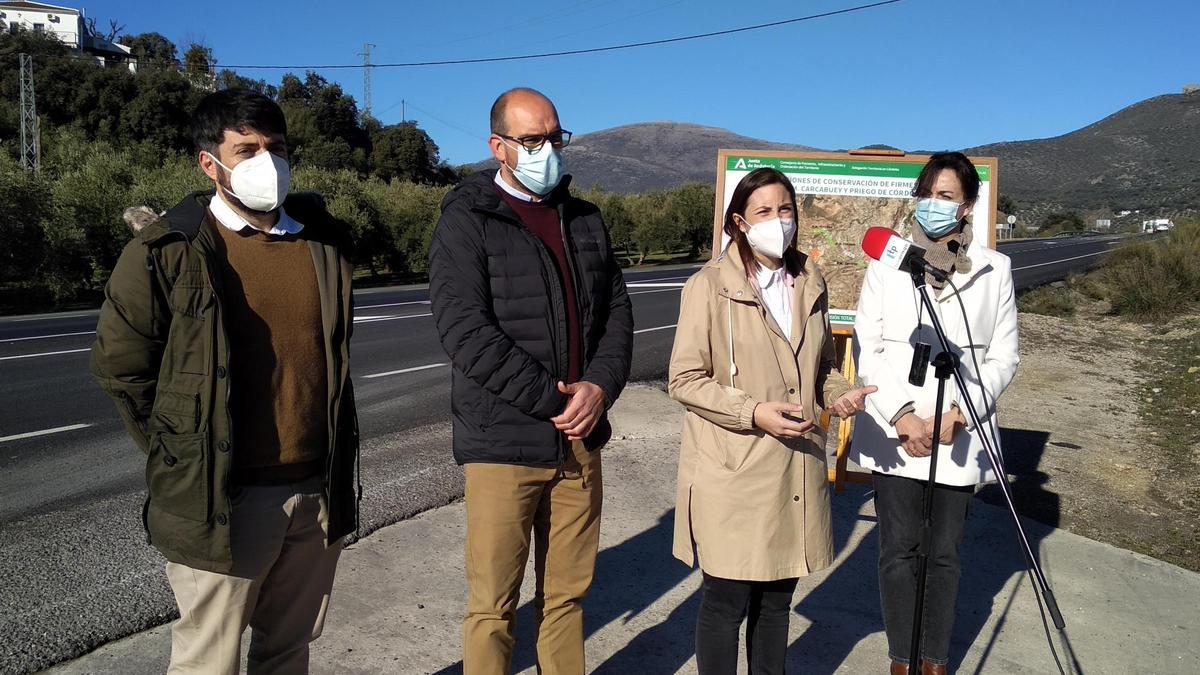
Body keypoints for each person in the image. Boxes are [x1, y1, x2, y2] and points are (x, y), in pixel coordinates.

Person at [90, 88, 359, 674]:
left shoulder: (324, 245)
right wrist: (180, 452)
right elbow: (122, 368)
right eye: (247, 149)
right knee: (208, 661)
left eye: (277, 147)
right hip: (223, 500)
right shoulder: (167, 250)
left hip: (316, 489)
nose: (268, 161)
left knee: (287, 653)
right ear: (208, 163)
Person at [427, 87, 634, 675]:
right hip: (504, 442)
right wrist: (553, 399)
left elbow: (617, 314)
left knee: (567, 596)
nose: (547, 149)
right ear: (498, 147)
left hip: (580, 438)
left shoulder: (585, 220)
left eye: (554, 136)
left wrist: (599, 387)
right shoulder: (467, 221)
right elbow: (466, 333)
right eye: (531, 139)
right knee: (492, 605)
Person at [668, 167, 877, 675]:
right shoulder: (709, 287)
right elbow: (684, 379)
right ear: (739, 221)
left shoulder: (809, 279)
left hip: (796, 468)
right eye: (763, 211)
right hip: (734, 469)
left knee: (777, 601)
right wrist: (753, 412)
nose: (777, 221)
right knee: (726, 602)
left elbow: (822, 366)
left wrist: (841, 394)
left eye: (785, 210)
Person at [849, 151, 1020, 675]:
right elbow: (867, 341)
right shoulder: (887, 264)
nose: (932, 204)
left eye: (945, 196)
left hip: (959, 429)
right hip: (895, 431)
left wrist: (960, 415)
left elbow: (1003, 355)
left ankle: (934, 660)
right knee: (898, 549)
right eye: (926, 193)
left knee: (943, 552)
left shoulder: (995, 270)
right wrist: (900, 415)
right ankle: (902, 659)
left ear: (967, 206)